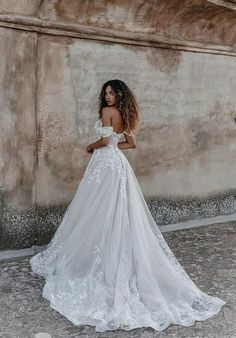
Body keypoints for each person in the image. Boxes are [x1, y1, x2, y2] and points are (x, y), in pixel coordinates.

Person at [30, 79, 225, 332]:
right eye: (106, 93)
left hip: (105, 164)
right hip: (118, 164)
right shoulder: (125, 114)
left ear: (118, 95)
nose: (108, 96)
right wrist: (112, 147)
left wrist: (92, 145)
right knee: (115, 208)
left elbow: (104, 141)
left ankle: (96, 254)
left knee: (96, 207)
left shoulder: (106, 113)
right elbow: (129, 143)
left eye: (112, 93)